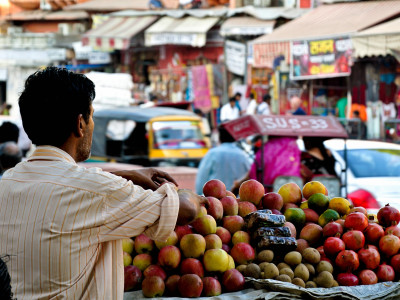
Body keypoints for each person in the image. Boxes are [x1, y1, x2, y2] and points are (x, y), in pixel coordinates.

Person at [0, 67, 206, 300]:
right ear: (80, 124)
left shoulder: (7, 182)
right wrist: (193, 194)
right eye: (92, 115)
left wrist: (124, 176)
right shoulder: (97, 192)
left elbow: (64, 183)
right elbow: (186, 210)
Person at [231, 136, 301, 193]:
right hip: (295, 193)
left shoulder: (266, 149)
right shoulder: (295, 148)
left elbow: (253, 173)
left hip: (269, 197)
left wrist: (238, 184)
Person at [196, 126, 251, 195]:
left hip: (213, 198)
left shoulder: (212, 153)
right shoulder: (242, 155)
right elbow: (249, 177)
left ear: (219, 137)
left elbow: (202, 177)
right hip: (236, 200)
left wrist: (199, 195)